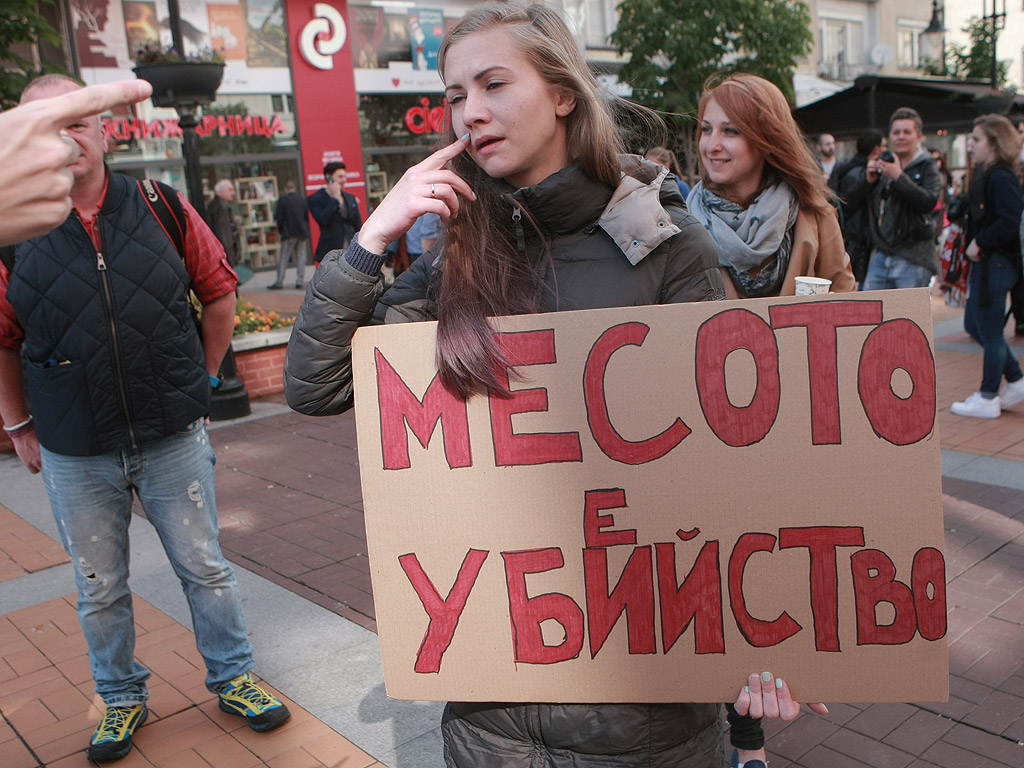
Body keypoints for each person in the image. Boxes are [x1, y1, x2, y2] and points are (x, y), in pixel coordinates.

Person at [284, 5, 825, 767]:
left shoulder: (667, 251)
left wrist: (775, 648)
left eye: (494, 84)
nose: (471, 112)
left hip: (643, 719)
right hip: (490, 717)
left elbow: (740, 468)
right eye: (454, 95)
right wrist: (374, 237)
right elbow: (315, 386)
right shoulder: (455, 259)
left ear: (564, 92)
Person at [0, 75, 290, 763]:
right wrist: (19, 428)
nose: (67, 136)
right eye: (48, 124)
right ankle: (122, 698)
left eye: (79, 121)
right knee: (98, 587)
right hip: (76, 449)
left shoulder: (160, 205)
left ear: (105, 127)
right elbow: (3, 339)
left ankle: (234, 676)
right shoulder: (13, 238)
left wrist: (205, 376)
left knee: (205, 567)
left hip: (171, 437)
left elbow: (219, 293)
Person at [687, 73, 856, 298]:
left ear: (766, 139)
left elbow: (849, 306)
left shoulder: (815, 216)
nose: (712, 145)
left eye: (730, 131)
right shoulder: (682, 224)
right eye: (707, 129)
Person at [0, 79, 153, 245]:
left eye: (76, 125)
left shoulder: (161, 205)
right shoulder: (9, 230)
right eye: (45, 130)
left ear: (103, 135)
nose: (64, 140)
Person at [949, 114, 1024, 419]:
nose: (970, 145)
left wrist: (980, 242)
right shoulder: (989, 174)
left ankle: (989, 395)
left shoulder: (1000, 176)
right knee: (975, 325)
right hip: (992, 263)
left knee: (990, 330)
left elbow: (1010, 220)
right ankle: (1015, 380)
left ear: (994, 143)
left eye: (977, 139)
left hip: (997, 263)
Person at [855, 107, 942, 290]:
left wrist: (898, 177)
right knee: (873, 314)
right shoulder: (883, 164)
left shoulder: (927, 165)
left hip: (913, 256)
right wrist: (868, 182)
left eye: (906, 132)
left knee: (910, 316)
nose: (901, 137)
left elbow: (928, 202)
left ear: (918, 136)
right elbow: (854, 205)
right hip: (880, 254)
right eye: (896, 132)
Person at [829, 130, 885, 284]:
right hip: (856, 240)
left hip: (850, 237)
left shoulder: (845, 167)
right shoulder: (859, 173)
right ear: (876, 149)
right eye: (884, 146)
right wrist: (866, 182)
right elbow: (846, 202)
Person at [308, 160, 363, 262]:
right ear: (329, 177)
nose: (344, 180)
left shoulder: (349, 198)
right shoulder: (315, 199)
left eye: (344, 176)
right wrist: (335, 199)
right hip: (330, 252)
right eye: (340, 177)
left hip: (351, 250)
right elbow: (322, 219)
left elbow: (357, 223)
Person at [268, 180, 311, 289]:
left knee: (284, 257)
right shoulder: (302, 200)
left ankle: (279, 281)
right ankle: (299, 281)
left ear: (286, 189)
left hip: (288, 233)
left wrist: (281, 231)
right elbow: (306, 217)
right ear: (294, 189)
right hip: (302, 232)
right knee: (301, 256)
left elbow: (279, 218)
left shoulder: (283, 200)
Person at [208, 179, 242, 267]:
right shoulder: (222, 208)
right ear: (221, 191)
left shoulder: (215, 205)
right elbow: (225, 237)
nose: (233, 193)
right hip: (226, 258)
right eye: (230, 189)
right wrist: (231, 263)